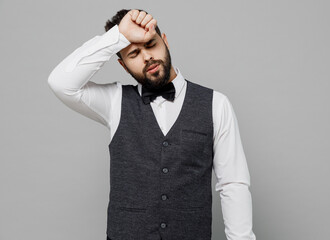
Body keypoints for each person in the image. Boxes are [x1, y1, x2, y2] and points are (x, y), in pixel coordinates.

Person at [47, 8, 256, 240]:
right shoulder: (115, 102)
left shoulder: (217, 104)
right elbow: (60, 83)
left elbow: (233, 185)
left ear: (165, 41)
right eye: (133, 53)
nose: (147, 57)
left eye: (150, 44)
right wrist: (118, 36)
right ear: (124, 66)